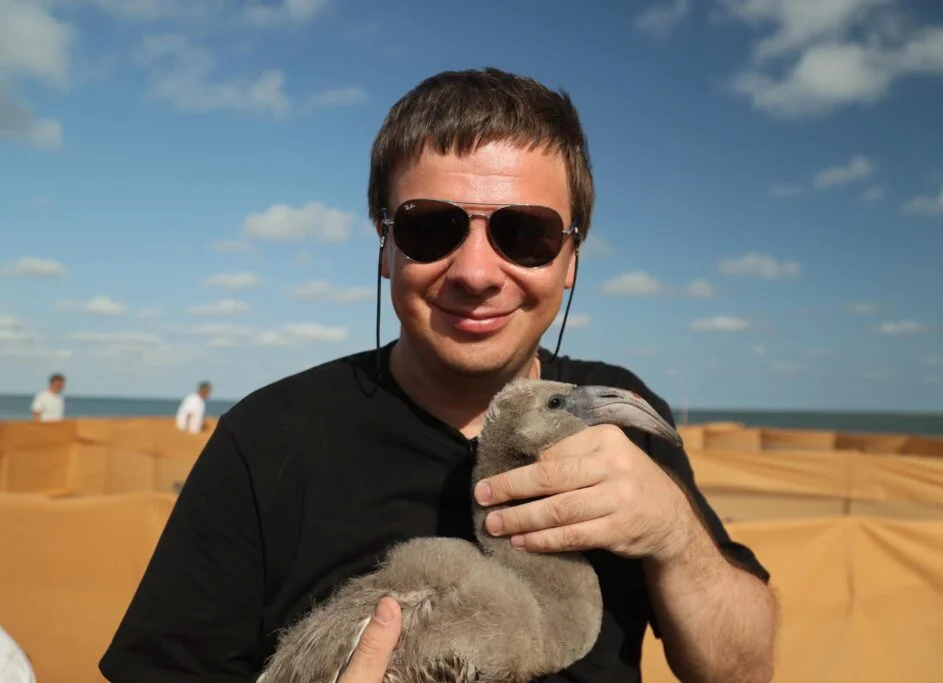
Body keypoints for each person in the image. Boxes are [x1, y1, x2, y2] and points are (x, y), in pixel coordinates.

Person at [99, 68, 778, 683]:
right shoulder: (266, 438)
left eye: (526, 234)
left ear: (571, 258)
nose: (476, 273)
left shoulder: (616, 421)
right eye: (430, 228)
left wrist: (673, 534)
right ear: (386, 247)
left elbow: (743, 671)